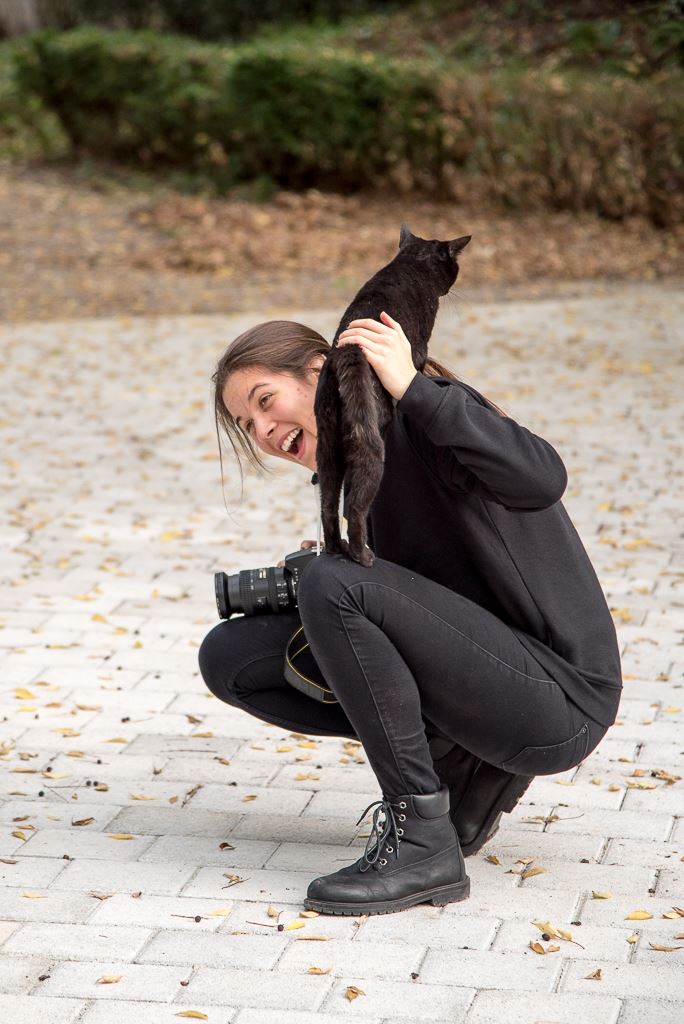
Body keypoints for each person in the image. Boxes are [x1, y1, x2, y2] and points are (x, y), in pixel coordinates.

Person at [198, 313, 622, 917]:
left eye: (266, 401)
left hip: (560, 701)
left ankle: (422, 843)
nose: (265, 429)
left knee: (334, 584)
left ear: (318, 373)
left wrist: (413, 387)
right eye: (248, 424)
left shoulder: (418, 417)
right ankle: (463, 770)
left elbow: (541, 478)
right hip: (494, 681)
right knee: (234, 658)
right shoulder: (356, 477)